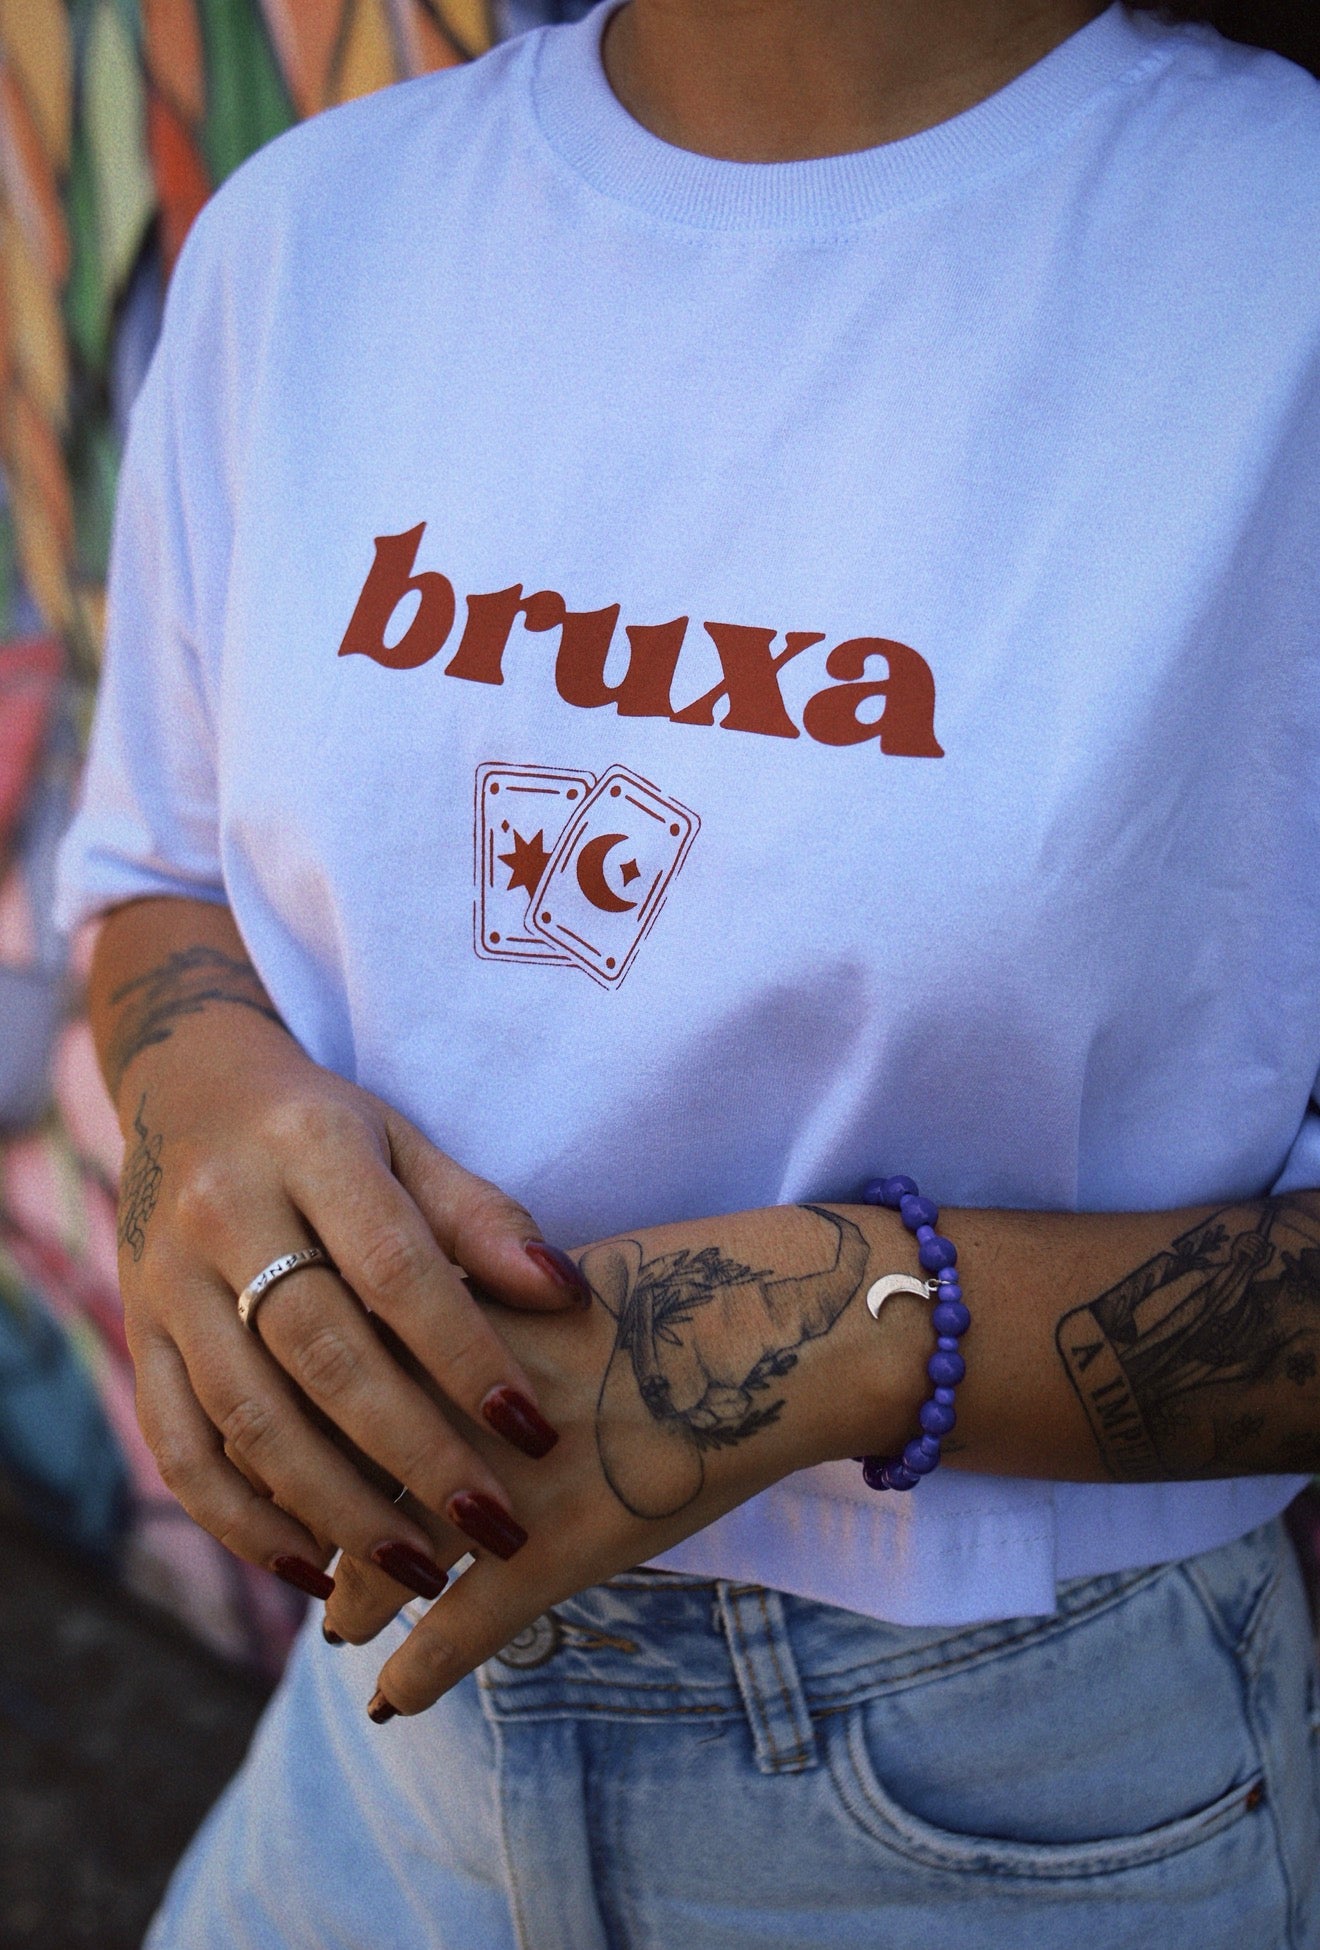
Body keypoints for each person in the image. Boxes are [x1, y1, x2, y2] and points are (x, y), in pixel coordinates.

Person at [55, 0, 1320, 1942]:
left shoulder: (1272, 261)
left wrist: (835, 1329)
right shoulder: (315, 232)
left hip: (1015, 1787)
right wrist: (209, 1098)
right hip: (379, 1754)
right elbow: (160, 865)